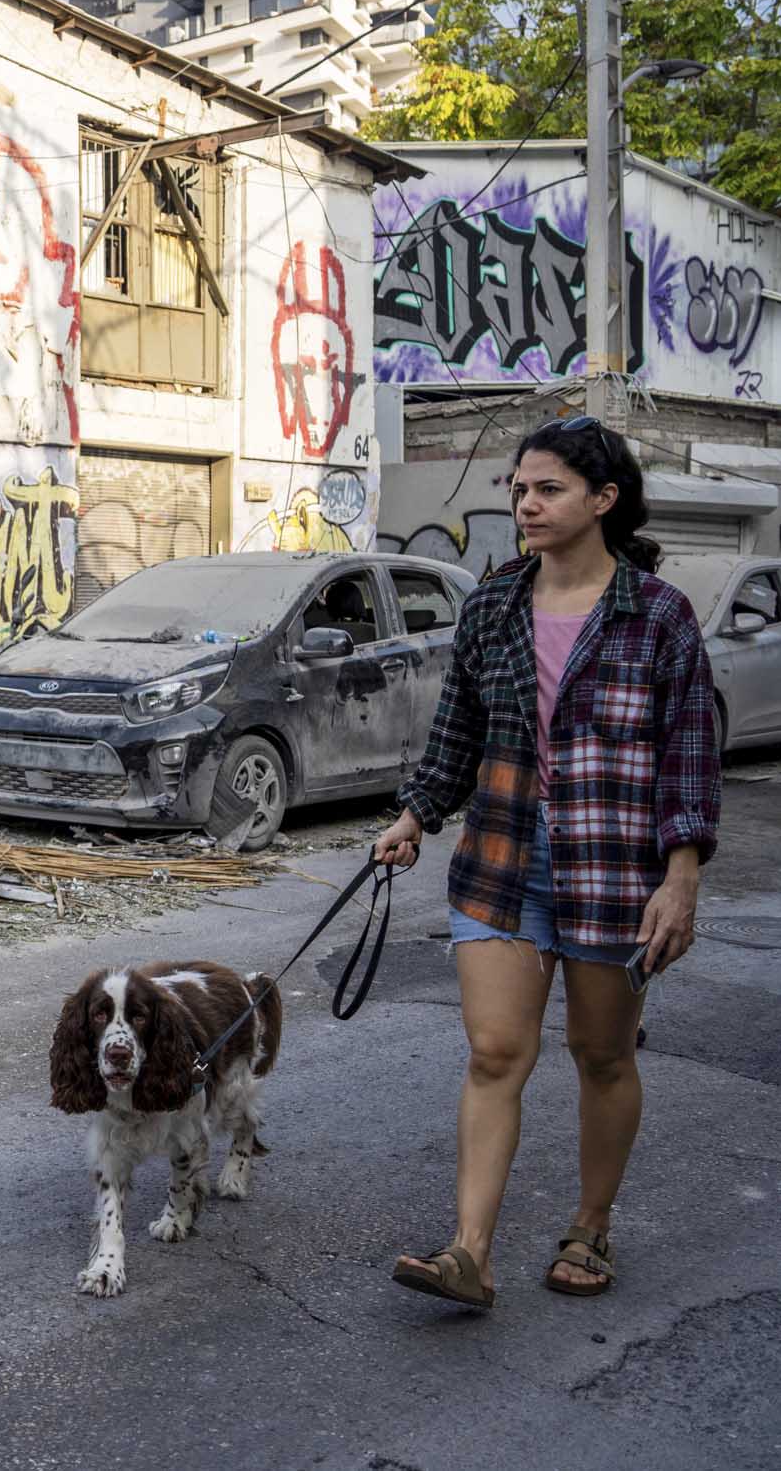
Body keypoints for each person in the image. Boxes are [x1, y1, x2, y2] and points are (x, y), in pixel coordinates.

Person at [376, 415, 718, 1309]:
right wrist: (415, 815)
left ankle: (590, 1224)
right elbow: (458, 731)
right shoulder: (492, 605)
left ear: (603, 499)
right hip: (501, 860)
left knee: (601, 1054)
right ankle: (469, 1252)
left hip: (616, 876)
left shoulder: (659, 616)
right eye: (519, 489)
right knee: (495, 1052)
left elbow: (688, 755)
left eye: (549, 488)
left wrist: (680, 880)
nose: (527, 504)